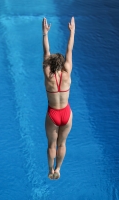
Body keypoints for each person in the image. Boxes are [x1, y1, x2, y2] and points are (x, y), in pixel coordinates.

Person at [42, 16, 75, 180]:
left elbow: (46, 53)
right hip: (66, 113)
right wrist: (72, 32)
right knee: (62, 144)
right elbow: (69, 49)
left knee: (51, 145)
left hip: (53, 114)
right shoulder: (67, 73)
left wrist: (45, 34)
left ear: (50, 64)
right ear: (62, 64)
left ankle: (50, 170)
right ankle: (59, 169)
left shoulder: (48, 76)